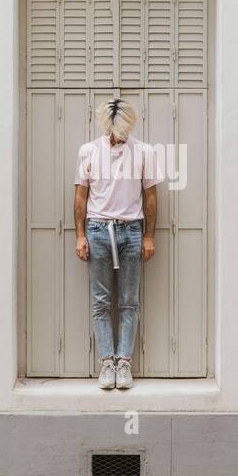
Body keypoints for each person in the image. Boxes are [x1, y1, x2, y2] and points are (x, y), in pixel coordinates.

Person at [74, 99, 164, 390]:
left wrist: (149, 236)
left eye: (125, 131)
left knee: (129, 301)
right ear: (107, 125)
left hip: (131, 231)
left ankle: (124, 363)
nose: (120, 136)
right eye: (116, 130)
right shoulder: (88, 151)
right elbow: (80, 197)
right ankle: (106, 362)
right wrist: (80, 235)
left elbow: (150, 198)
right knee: (101, 302)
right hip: (99, 229)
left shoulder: (144, 152)